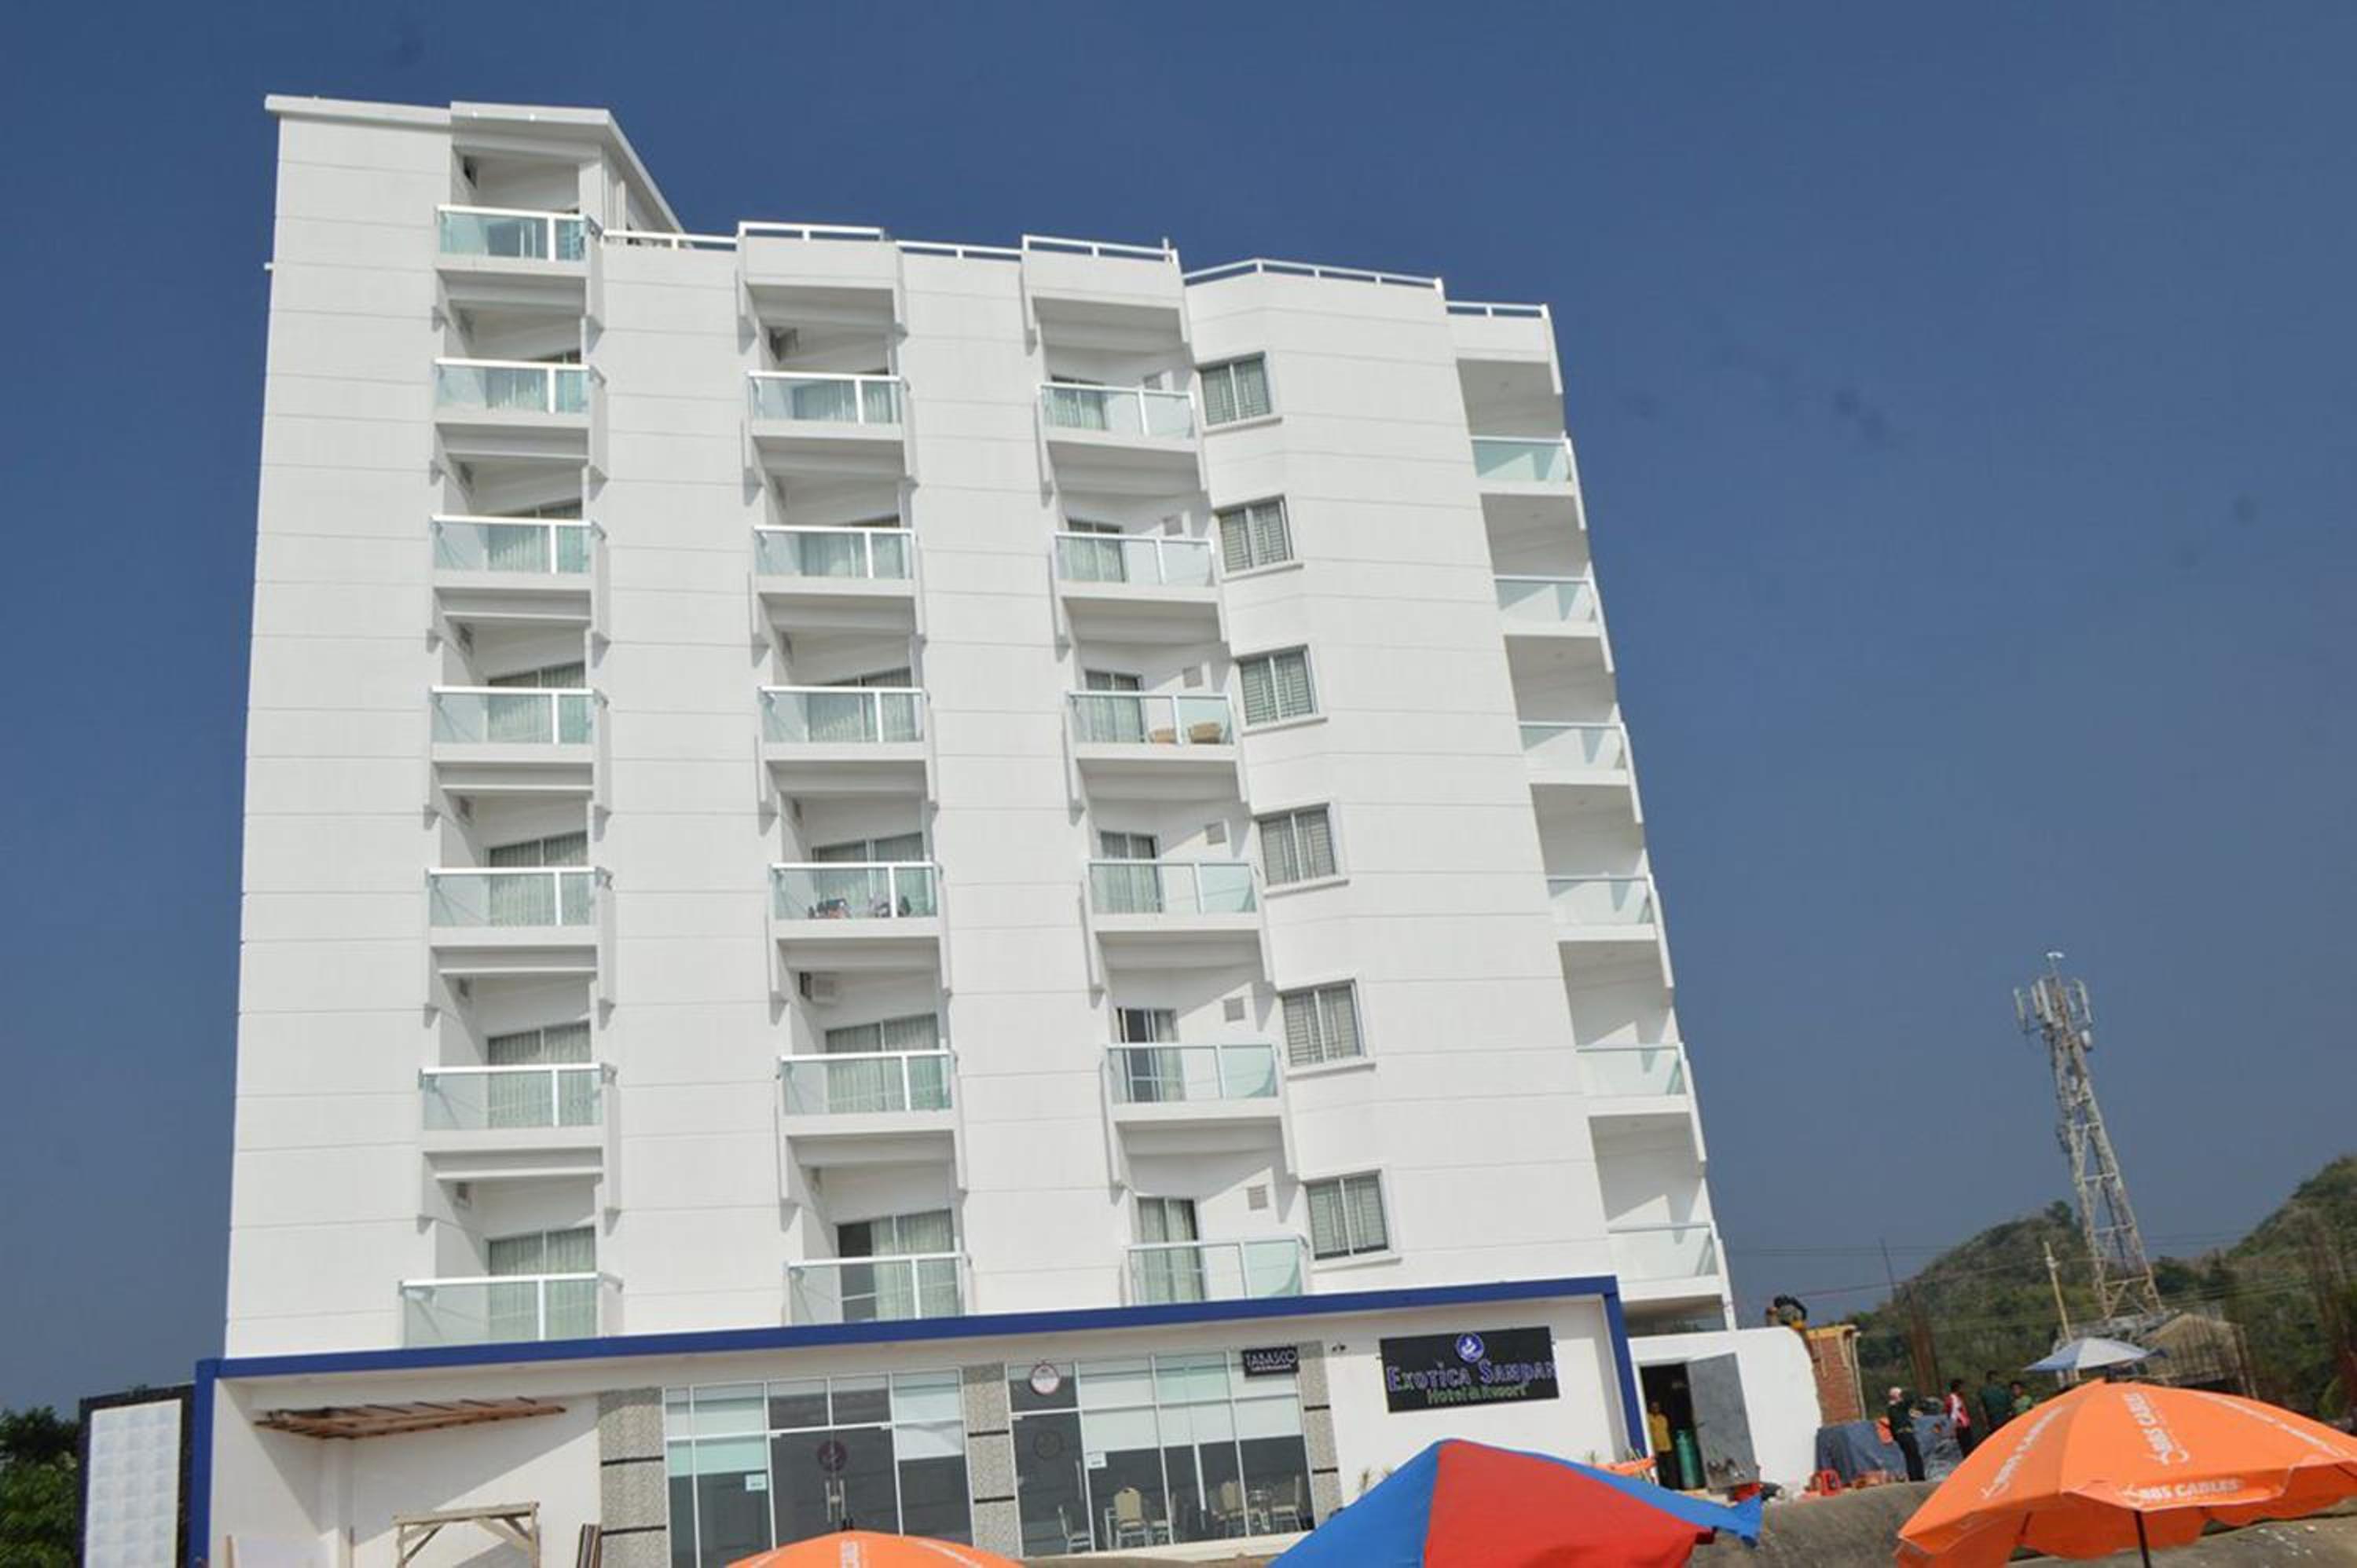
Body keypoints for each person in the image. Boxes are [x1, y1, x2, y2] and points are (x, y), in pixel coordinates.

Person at [1885, 1386, 1926, 1482]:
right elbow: (1910, 1400)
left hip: (1901, 1435)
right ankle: (1918, 1477)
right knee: (1914, 1455)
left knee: (1910, 1456)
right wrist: (1905, 1392)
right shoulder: (1898, 1406)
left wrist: (1896, 1437)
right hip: (1906, 1433)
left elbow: (1892, 1425)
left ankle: (1915, 1477)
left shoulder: (1892, 1408)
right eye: (1900, 1395)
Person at [1648, 1401, 1677, 1487]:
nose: (1656, 1409)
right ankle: (1663, 1485)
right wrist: (1653, 1448)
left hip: (1667, 1446)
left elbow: (1666, 1430)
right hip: (1657, 1448)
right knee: (1660, 1469)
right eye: (1654, 1407)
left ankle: (1673, 1486)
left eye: (1657, 1407)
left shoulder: (1663, 1418)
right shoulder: (1648, 1418)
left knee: (1670, 1468)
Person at [1945, 1378, 1977, 1455]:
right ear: (1958, 1388)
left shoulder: (1959, 1398)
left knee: (1970, 1448)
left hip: (1965, 1427)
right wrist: (1955, 1427)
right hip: (1961, 1428)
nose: (1964, 1389)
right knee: (1967, 1449)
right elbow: (1952, 1415)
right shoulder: (1952, 1399)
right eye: (1963, 1387)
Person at [1978, 1369, 2013, 1436]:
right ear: (1996, 1378)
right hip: (2005, 1419)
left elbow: (1982, 1410)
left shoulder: (1983, 1391)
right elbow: (2010, 1407)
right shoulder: (2004, 1389)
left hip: (1993, 1421)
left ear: (1987, 1379)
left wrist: (1986, 1424)